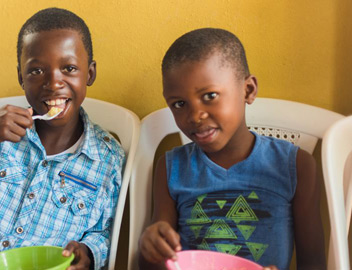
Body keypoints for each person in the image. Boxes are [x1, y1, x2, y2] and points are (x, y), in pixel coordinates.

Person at [0, 7, 125, 270]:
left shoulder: (108, 157)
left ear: (89, 74)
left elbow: (102, 234)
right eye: (36, 71)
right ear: (21, 76)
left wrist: (87, 254)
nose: (54, 83)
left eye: (68, 68)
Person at [139, 28, 325, 270]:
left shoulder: (296, 166)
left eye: (210, 95)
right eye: (179, 104)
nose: (195, 116)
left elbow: (314, 263)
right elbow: (151, 264)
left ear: (248, 90)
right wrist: (149, 246)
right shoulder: (171, 167)